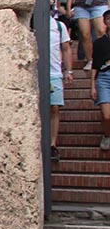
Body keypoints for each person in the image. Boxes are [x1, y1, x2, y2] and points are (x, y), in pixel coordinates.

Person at [50, 9, 73, 162]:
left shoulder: (59, 26)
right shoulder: (33, 23)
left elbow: (66, 48)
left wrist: (69, 70)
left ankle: (52, 143)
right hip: (37, 71)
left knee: (55, 107)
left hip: (54, 72)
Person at [90, 15, 110, 151]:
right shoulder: (99, 43)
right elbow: (95, 65)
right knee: (106, 114)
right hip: (103, 76)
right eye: (108, 18)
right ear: (105, 21)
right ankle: (107, 135)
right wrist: (92, 85)